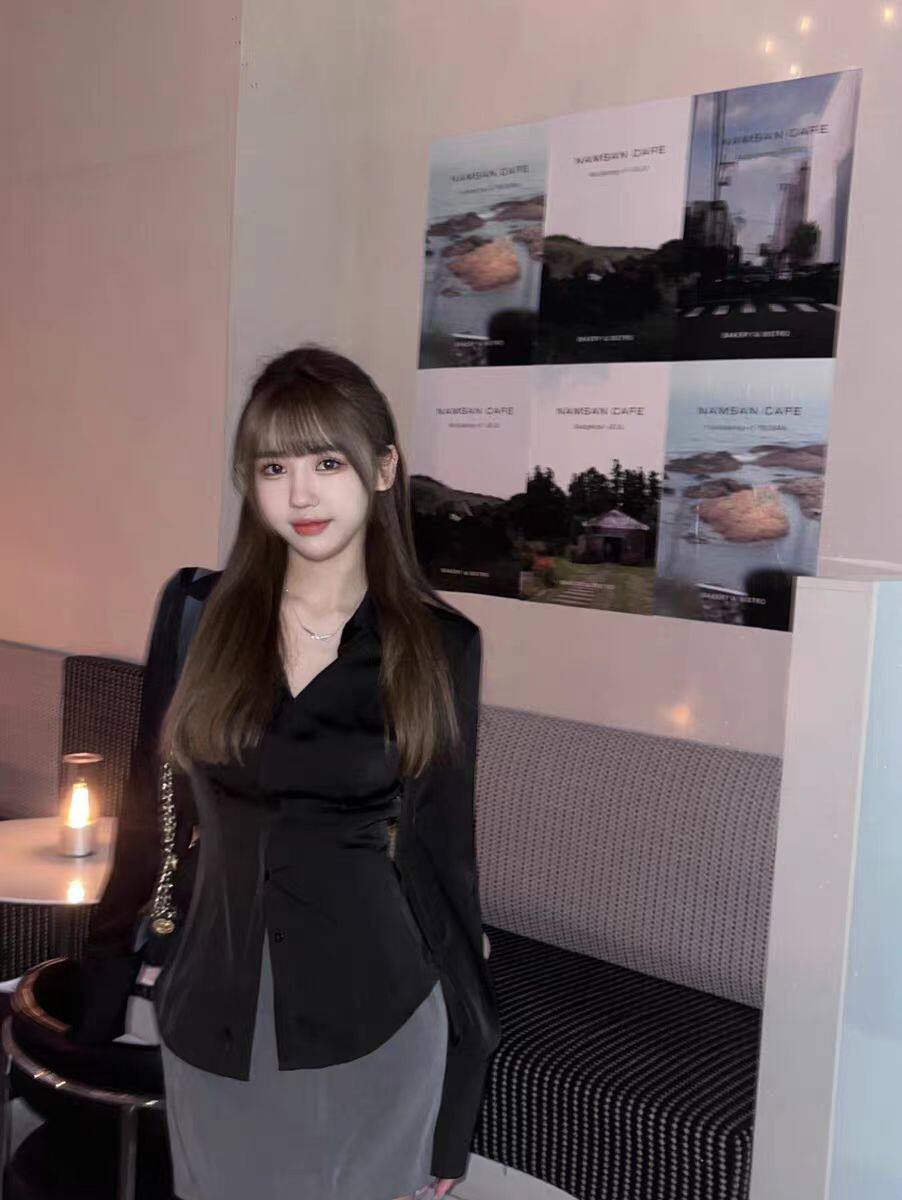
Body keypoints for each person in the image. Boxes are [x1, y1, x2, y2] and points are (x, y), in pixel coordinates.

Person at [84, 345, 501, 1200]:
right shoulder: (196, 615)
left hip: (378, 1025)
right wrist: (103, 988)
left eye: (327, 463)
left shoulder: (439, 646)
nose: (301, 494)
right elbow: (149, 816)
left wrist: (459, 1097)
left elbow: (441, 868)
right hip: (213, 1017)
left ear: (382, 469)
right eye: (274, 467)